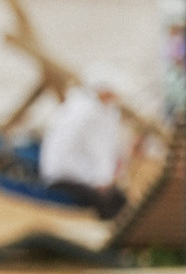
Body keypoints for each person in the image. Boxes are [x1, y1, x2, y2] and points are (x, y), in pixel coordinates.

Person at [37, 69, 128, 219]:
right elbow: (67, 154)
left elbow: (101, 150)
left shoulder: (101, 111)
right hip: (65, 175)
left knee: (119, 199)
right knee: (104, 202)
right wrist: (97, 180)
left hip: (83, 175)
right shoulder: (83, 113)